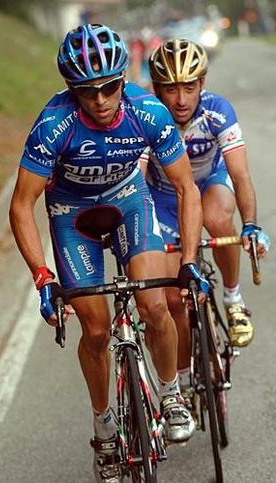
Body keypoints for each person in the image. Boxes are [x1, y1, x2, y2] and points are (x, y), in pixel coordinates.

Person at [9, 25, 208, 483]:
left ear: (123, 78)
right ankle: (103, 429)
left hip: (128, 200)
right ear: (70, 89)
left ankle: (171, 393)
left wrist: (190, 259)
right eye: (86, 91)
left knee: (155, 303)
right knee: (96, 331)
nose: (99, 100)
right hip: (72, 213)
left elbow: (185, 187)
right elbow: (22, 205)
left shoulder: (149, 112)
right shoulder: (53, 125)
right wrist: (42, 276)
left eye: (109, 87)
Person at [146, 38, 270, 388]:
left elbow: (241, 174)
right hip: (164, 197)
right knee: (175, 301)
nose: (181, 99)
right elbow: (138, 183)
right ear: (157, 89)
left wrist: (249, 225)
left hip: (209, 183)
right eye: (170, 89)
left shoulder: (218, 111)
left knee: (217, 219)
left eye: (189, 86)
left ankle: (233, 300)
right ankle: (183, 380)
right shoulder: (146, 116)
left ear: (202, 83)